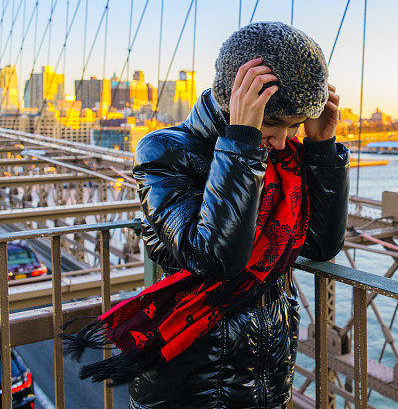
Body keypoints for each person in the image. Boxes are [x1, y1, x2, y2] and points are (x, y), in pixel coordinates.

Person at [63, 22, 349, 408]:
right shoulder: (164, 152)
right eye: (274, 124)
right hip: (188, 387)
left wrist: (322, 148)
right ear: (236, 100)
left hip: (267, 383)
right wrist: (242, 142)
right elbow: (215, 259)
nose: (283, 140)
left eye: (293, 127)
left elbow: (320, 245)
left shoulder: (281, 159)